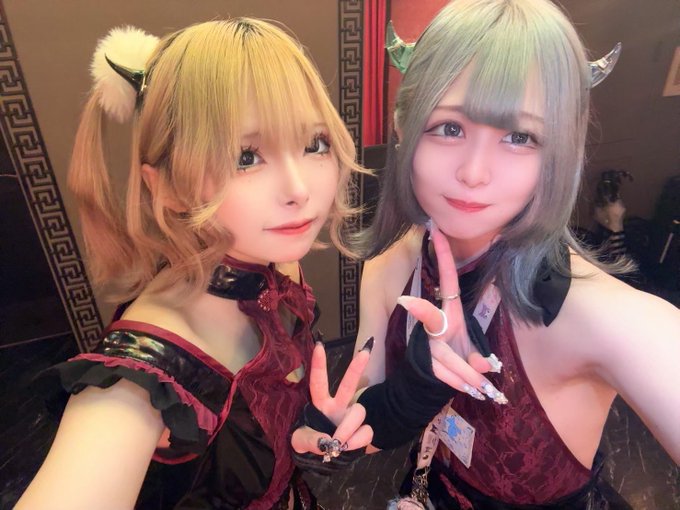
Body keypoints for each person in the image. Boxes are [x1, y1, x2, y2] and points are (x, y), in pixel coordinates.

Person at [17, 18, 372, 510]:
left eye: (314, 144)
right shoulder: (138, 381)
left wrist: (302, 436)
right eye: (245, 157)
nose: (299, 190)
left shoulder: (275, 268)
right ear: (166, 185)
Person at [351, 0, 680, 508]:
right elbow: (360, 427)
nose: (474, 173)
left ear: (559, 151)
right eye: (450, 127)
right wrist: (405, 394)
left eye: (519, 137)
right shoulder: (390, 266)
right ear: (403, 127)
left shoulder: (608, 319)